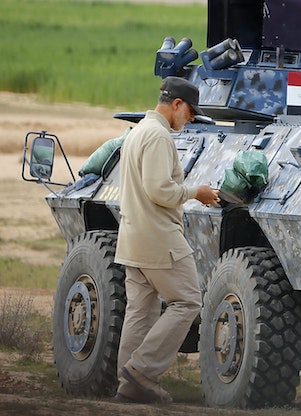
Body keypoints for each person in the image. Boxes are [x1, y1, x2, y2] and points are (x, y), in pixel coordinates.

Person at [114, 76, 220, 404]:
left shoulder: (137, 133)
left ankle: (129, 384)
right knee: (188, 300)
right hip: (159, 237)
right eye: (189, 112)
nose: (190, 119)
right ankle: (142, 373)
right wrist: (196, 193)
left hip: (133, 237)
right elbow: (159, 190)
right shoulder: (159, 136)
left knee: (141, 311)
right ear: (176, 104)